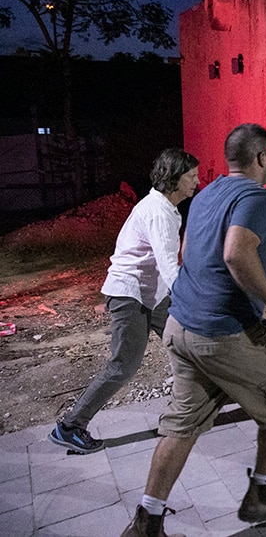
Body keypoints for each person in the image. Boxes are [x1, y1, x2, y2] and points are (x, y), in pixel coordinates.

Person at [121, 124, 266, 537]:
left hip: (181, 324)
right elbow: (236, 254)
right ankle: (262, 497)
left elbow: (188, 250)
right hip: (222, 331)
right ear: (261, 157)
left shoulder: (207, 193)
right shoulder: (257, 197)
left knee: (182, 424)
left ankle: (146, 522)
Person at [49, 149, 199, 455]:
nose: (197, 181)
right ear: (173, 179)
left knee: (189, 343)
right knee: (124, 367)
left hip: (151, 293)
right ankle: (70, 427)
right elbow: (169, 264)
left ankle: (189, 409)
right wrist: (189, 297)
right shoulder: (158, 212)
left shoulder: (166, 208)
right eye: (191, 176)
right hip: (130, 295)